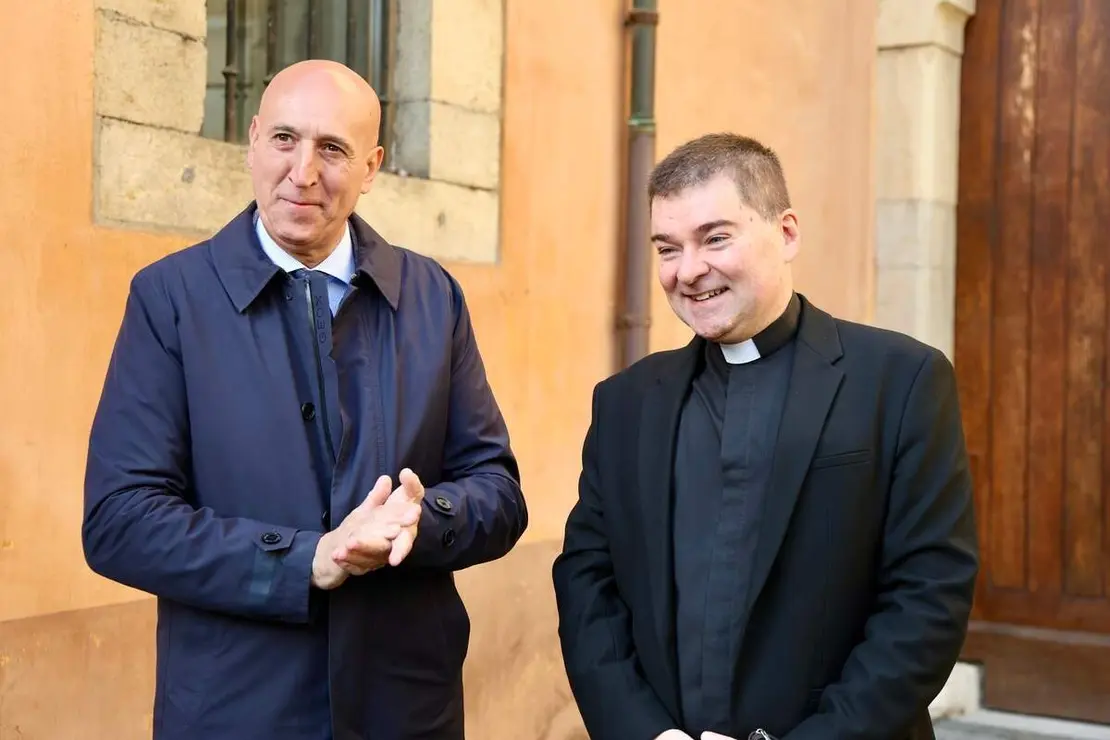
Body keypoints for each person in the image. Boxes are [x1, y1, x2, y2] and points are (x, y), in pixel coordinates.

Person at [82, 59, 527, 740]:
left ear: (372, 166)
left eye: (333, 149)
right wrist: (304, 561)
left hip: (404, 709)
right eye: (285, 139)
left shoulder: (433, 298)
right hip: (237, 711)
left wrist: (424, 518)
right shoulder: (170, 300)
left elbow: (499, 493)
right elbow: (120, 521)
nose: (303, 172)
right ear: (253, 139)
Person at [551, 133, 978, 740]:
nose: (688, 271)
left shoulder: (901, 380)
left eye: (715, 238)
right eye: (667, 248)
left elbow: (928, 597)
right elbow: (587, 582)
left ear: (787, 233)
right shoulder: (624, 403)